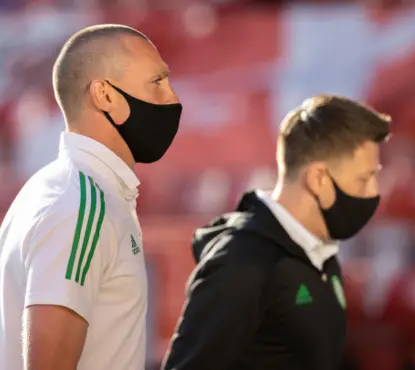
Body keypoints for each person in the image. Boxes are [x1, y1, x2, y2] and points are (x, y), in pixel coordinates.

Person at [0, 24, 182, 370]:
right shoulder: (81, 206)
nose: (173, 98)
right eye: (157, 83)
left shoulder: (67, 190)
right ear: (104, 95)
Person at [162, 95, 390, 370]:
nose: (374, 193)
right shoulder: (242, 263)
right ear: (318, 178)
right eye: (364, 179)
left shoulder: (321, 259)